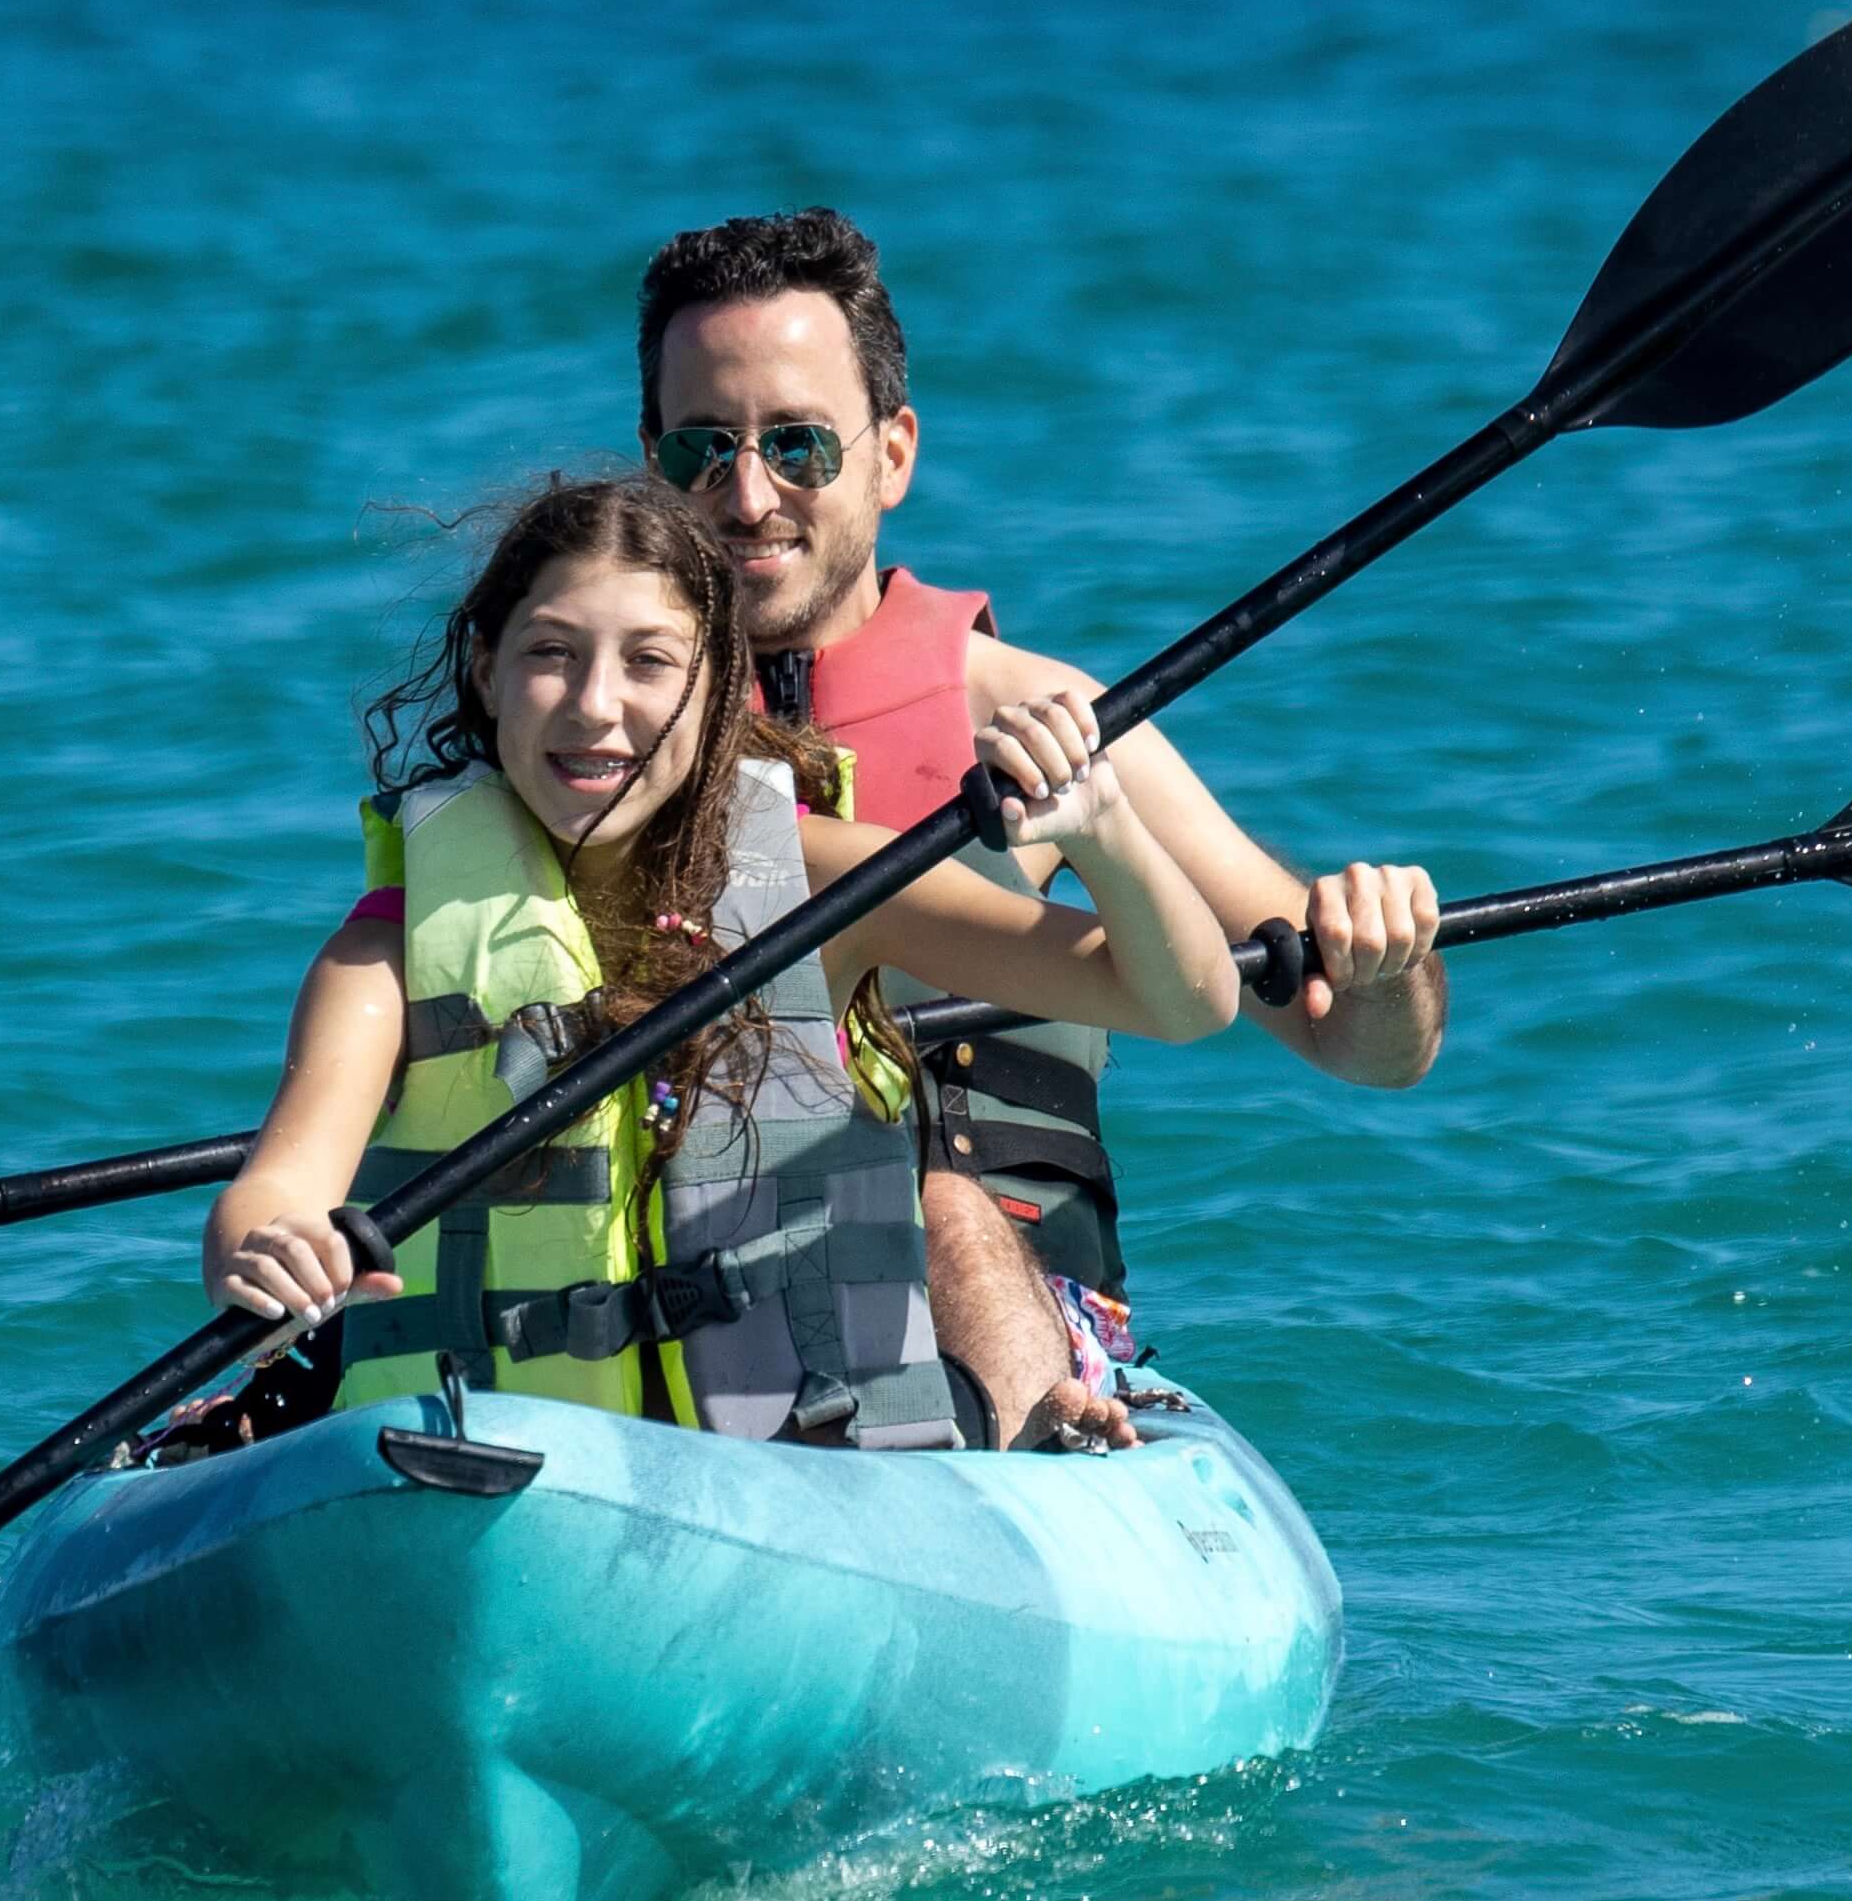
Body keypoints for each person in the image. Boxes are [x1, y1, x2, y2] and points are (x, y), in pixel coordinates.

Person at [202, 474, 1242, 1453]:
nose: (595, 705)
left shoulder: (827, 889)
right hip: (507, 1467)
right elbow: (275, 1189)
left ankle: (1032, 1412)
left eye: (649, 661)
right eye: (551, 653)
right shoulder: (388, 949)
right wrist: (270, 1255)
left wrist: (1106, 837)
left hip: (816, 1460)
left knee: (961, 1219)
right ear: (485, 667)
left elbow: (1184, 1001)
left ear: (715, 689)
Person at [633, 208, 1445, 1414]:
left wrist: (1382, 968)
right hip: (695, 1276)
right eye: (701, 449)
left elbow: (1360, 1048)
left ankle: (1027, 1453)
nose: (746, 496)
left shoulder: (1046, 723)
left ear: (892, 454)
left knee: (944, 1206)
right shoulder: (596, 737)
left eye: (797, 446)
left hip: (997, 1283)